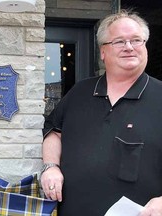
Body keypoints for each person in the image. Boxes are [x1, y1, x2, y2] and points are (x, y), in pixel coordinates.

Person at [40, 10, 162, 216]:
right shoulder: (80, 92)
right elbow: (54, 131)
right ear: (103, 52)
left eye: (136, 40)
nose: (129, 47)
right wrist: (50, 167)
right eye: (119, 41)